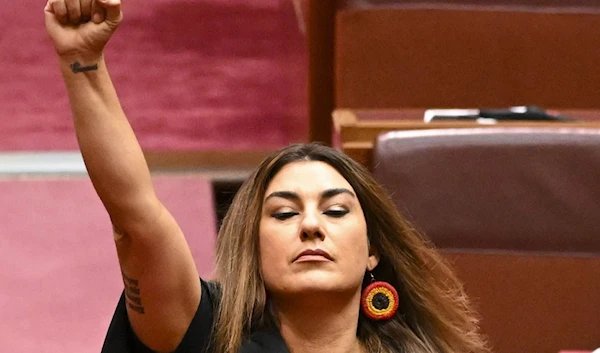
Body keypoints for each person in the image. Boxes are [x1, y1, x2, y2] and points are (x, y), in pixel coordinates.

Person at [44, 1, 490, 352]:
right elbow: (135, 216)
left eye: (335, 210)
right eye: (282, 214)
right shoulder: (208, 337)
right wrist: (83, 63)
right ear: (253, 245)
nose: (311, 226)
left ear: (373, 249)